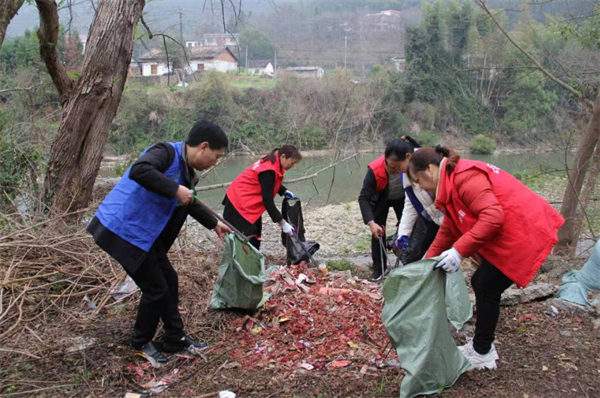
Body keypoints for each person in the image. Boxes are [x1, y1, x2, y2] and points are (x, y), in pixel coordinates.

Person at [87, 120, 232, 367]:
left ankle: (174, 338)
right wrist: (175, 189)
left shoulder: (188, 174)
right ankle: (140, 344)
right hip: (122, 230)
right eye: (215, 157)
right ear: (203, 147)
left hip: (144, 236)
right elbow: (140, 170)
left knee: (169, 280)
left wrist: (213, 223)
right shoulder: (166, 153)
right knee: (156, 288)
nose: (215, 163)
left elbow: (189, 202)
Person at [407, 146, 564, 370]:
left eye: (417, 180)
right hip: (514, 233)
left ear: (430, 170)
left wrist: (458, 251)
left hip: (525, 231)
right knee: (483, 283)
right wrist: (427, 262)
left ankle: (483, 352)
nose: (419, 186)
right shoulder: (451, 183)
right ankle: (481, 346)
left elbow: (493, 217)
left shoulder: (465, 176)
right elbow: (450, 227)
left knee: (485, 284)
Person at [223, 145, 302, 249]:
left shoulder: (273, 161)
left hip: (246, 201)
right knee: (246, 240)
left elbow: (268, 183)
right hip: (238, 202)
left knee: (255, 236)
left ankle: (253, 262)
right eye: (292, 163)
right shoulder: (269, 169)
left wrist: (284, 191)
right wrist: (282, 223)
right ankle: (243, 263)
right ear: (283, 157)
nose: (292, 166)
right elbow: (268, 202)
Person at [358, 138, 416, 281]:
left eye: (397, 168)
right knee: (378, 231)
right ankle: (379, 268)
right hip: (381, 198)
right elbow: (363, 198)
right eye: (391, 167)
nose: (394, 171)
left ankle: (410, 264)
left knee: (409, 230)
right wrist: (371, 223)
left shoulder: (411, 164)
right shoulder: (374, 170)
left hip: (404, 199)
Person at [393, 140, 444, 264]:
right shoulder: (406, 176)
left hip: (447, 221)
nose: (398, 171)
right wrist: (403, 234)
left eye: (398, 167)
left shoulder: (430, 168)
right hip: (432, 220)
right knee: (421, 254)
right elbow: (410, 205)